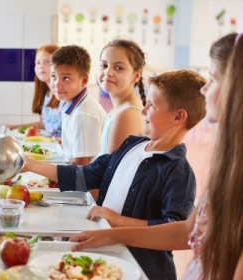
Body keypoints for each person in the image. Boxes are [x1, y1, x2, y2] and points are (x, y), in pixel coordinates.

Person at [68, 33, 243, 280]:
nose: (205, 89)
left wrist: (116, 226)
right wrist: (111, 232)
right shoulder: (229, 160)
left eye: (213, 79)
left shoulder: (179, 169)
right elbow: (186, 231)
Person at [23, 69, 207, 279]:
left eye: (152, 105)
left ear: (179, 116)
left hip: (141, 270)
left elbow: (173, 230)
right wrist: (29, 164)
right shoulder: (132, 145)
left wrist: (117, 220)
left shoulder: (178, 171)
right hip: (108, 259)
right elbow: (86, 175)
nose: (143, 110)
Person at [50, 45, 107, 165]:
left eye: (66, 78)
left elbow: (80, 167)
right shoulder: (72, 103)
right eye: (54, 76)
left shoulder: (82, 115)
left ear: (84, 80)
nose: (57, 84)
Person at [97, 39, 146, 156]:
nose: (108, 72)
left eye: (119, 68)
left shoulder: (127, 114)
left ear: (136, 76)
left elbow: (110, 170)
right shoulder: (118, 110)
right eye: (104, 65)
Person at [7, 44, 64, 137]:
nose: (41, 66)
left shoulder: (64, 96)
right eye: (38, 62)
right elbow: (42, 125)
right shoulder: (46, 94)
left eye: (47, 62)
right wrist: (12, 127)